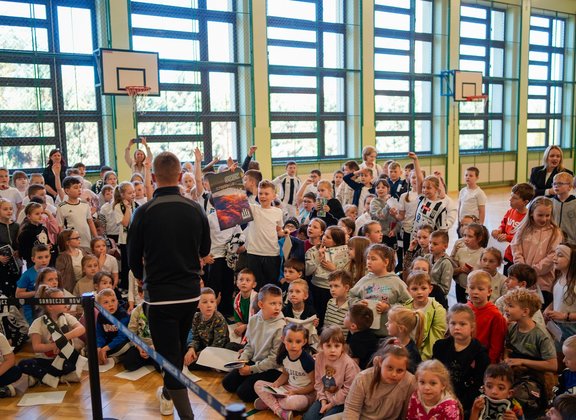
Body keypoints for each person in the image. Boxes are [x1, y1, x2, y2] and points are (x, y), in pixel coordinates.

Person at [127, 151, 210, 419]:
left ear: (153, 177)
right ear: (180, 176)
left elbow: (132, 256)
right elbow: (205, 249)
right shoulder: (195, 208)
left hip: (160, 296)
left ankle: (187, 416)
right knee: (174, 352)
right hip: (189, 294)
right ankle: (166, 393)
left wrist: (140, 278)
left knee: (171, 358)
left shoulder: (144, 211)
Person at [222, 284, 286, 403]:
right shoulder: (253, 320)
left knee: (243, 393)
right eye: (273, 303)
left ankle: (270, 394)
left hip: (271, 368)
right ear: (261, 304)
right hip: (255, 361)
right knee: (227, 384)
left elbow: (274, 360)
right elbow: (250, 346)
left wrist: (251, 370)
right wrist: (243, 360)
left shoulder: (281, 326)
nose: (277, 308)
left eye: (280, 303)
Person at [433, 303, 490, 418]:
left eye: (462, 324)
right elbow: (433, 372)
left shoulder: (480, 353)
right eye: (453, 323)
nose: (457, 327)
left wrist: (457, 402)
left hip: (465, 402)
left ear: (472, 327)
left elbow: (479, 384)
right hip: (439, 395)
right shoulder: (440, 346)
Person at [254, 323, 316, 419]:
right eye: (289, 341)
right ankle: (280, 411)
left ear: (304, 342)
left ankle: (269, 403)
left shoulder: (307, 360)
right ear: (283, 339)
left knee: (291, 402)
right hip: (288, 389)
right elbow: (285, 374)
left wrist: (296, 392)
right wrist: (276, 384)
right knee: (258, 384)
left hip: (305, 394)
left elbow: (313, 385)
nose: (293, 345)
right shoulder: (284, 356)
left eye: (298, 341)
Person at [343, 339, 416, 420]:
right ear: (380, 362)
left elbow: (406, 414)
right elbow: (352, 409)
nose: (394, 374)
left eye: (400, 370)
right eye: (389, 367)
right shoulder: (362, 378)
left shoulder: (410, 382)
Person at [511, 196, 563, 308]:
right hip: (522, 279)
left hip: (543, 283)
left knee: (539, 309)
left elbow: (552, 255)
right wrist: (523, 269)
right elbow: (516, 248)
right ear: (531, 213)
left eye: (547, 215)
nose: (544, 219)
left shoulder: (555, 233)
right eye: (540, 215)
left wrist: (533, 271)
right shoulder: (523, 229)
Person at [349, 244, 410, 337]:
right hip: (365, 332)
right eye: (368, 258)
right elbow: (351, 296)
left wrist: (389, 307)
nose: (369, 262)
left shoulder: (396, 282)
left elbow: (408, 304)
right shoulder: (364, 280)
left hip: (387, 334)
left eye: (373, 259)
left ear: (386, 262)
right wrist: (358, 303)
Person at [303, 326, 360, 420]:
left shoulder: (348, 364)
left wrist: (331, 404)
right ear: (322, 346)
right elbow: (318, 381)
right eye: (328, 346)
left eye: (337, 346)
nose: (332, 350)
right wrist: (323, 400)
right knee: (309, 418)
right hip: (325, 396)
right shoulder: (319, 358)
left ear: (342, 347)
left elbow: (348, 389)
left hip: (343, 400)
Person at [491, 183, 534, 274]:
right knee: (506, 276)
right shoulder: (510, 211)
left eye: (515, 198)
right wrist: (499, 230)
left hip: (517, 256)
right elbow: (503, 224)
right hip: (507, 253)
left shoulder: (528, 218)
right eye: (511, 196)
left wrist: (507, 237)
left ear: (525, 202)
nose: (510, 199)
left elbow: (524, 237)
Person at [183, 287, 229, 370]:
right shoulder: (196, 317)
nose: (209, 305)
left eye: (212, 302)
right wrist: (191, 349)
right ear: (198, 304)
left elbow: (218, 344)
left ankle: (213, 365)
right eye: (204, 302)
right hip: (204, 347)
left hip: (218, 350)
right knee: (186, 356)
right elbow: (195, 338)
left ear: (215, 304)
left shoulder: (219, 318)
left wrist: (198, 355)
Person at [404, 272, 446, 361]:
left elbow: (435, 339)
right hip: (406, 353)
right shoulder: (405, 307)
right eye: (414, 289)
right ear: (408, 290)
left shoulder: (438, 310)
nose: (419, 292)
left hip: (425, 356)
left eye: (423, 288)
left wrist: (422, 359)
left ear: (430, 289)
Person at [467, 270, 507, 364]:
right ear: (467, 289)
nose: (475, 292)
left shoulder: (495, 315)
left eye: (480, 289)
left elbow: (497, 344)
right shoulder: (464, 309)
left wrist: (490, 363)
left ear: (489, 292)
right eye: (472, 288)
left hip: (483, 360)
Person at [386, 305, 423, 373]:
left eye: (390, 322)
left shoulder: (411, 353)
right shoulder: (390, 341)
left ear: (401, 328)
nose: (386, 324)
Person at [344, 304, 379, 369]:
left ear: (353, 326)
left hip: (364, 369)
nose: (344, 315)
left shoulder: (356, 340)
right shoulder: (363, 331)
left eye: (347, 315)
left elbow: (355, 362)